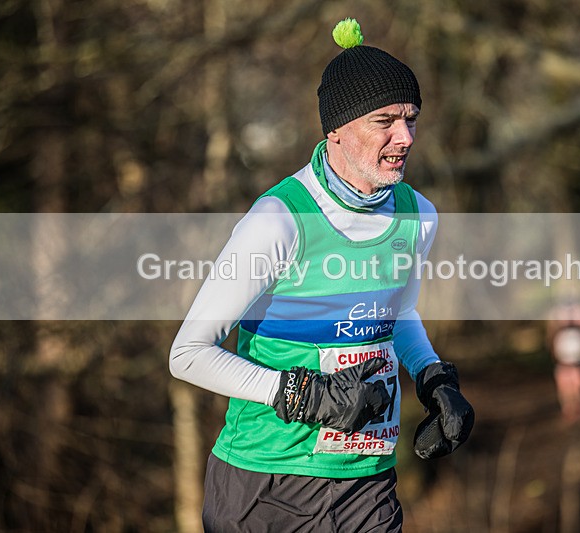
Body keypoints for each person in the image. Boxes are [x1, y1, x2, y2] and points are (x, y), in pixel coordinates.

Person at [169, 18, 474, 532]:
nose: (405, 137)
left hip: (366, 482)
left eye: (411, 119)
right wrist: (305, 394)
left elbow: (397, 314)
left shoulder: (417, 215)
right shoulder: (279, 220)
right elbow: (188, 354)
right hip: (266, 483)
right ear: (337, 129)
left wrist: (433, 377)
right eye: (385, 120)